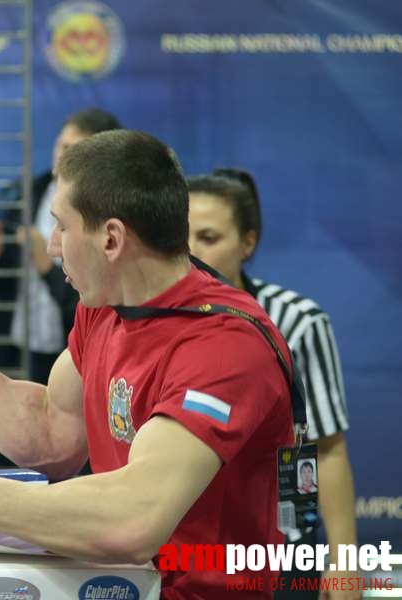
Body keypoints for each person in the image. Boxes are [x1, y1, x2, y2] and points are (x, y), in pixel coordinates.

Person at [0, 130, 295, 599]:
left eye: (61, 225)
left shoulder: (225, 350)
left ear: (111, 239)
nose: (53, 247)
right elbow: (52, 433)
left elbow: (133, 519)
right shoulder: (106, 305)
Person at [186, 169, 359, 600]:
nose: (191, 252)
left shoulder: (298, 322)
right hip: (180, 548)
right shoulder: (149, 322)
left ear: (248, 243)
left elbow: (328, 448)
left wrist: (344, 561)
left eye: (208, 237)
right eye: (181, 235)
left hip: (277, 550)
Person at [0, 108, 120, 384]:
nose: (64, 156)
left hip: (72, 353)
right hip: (13, 346)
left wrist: (46, 268)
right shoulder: (23, 195)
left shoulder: (108, 212)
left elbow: (102, 301)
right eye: (62, 145)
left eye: (75, 149)